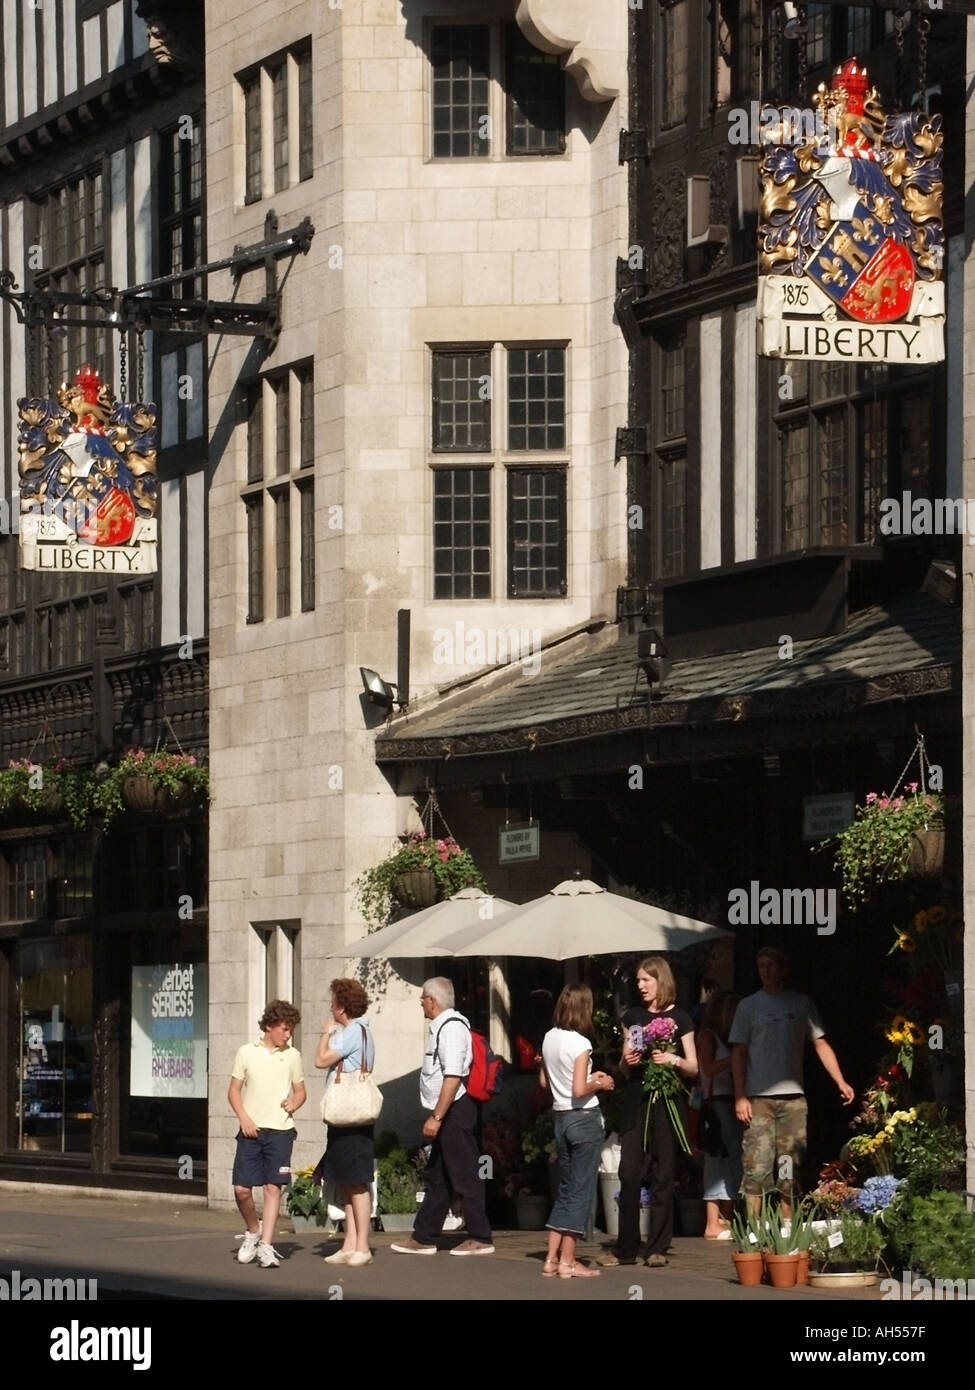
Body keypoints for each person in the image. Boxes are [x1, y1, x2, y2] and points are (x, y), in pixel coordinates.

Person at [730, 947, 855, 1220]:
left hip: (793, 1100)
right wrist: (739, 1094)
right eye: (761, 965)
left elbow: (819, 1043)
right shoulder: (748, 1006)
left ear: (783, 970)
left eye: (771, 965)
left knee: (789, 1165)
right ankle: (755, 1231)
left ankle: (787, 1226)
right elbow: (738, 1052)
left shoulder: (800, 1004)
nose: (765, 970)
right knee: (756, 1166)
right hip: (757, 1099)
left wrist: (840, 1081)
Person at [597, 956, 697, 1269]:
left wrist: (673, 1061)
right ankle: (626, 1246)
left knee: (664, 1173)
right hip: (637, 1098)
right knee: (628, 1172)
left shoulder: (681, 1018)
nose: (640, 986)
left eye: (646, 980)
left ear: (661, 981)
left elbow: (694, 1067)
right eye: (638, 981)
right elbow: (625, 1067)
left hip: (667, 1100)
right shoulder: (634, 1016)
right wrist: (628, 1061)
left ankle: (657, 1247)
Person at [390, 977, 494, 1256]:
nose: (420, 1002)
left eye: (423, 997)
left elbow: (453, 1076)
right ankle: (424, 1236)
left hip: (455, 1110)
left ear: (433, 1001)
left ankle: (480, 1237)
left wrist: (436, 1116)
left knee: (465, 1174)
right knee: (439, 1176)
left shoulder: (451, 1029)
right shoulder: (443, 1027)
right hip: (450, 1110)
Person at [540, 984, 615, 1278]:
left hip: (560, 1118)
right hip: (584, 1119)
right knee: (581, 1192)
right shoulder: (581, 1043)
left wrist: (587, 1077)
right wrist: (602, 1082)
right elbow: (580, 1088)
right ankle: (568, 1261)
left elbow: (546, 1082)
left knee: (566, 1188)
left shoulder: (549, 1037)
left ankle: (550, 1257)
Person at [229, 999, 306, 1269]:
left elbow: (300, 1091)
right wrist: (244, 1118)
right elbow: (233, 1091)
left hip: (281, 1131)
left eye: (291, 1029)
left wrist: (295, 1103)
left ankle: (266, 1246)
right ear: (270, 1026)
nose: (288, 1034)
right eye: (285, 1029)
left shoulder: (293, 1055)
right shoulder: (246, 1053)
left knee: (273, 1188)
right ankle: (253, 1231)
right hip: (251, 1131)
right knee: (241, 1190)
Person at [315, 978, 377, 1268]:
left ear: (341, 1006)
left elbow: (321, 1059)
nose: (330, 1008)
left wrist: (325, 1034)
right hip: (349, 1115)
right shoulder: (361, 1030)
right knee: (348, 1182)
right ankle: (350, 1242)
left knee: (357, 1180)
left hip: (350, 1115)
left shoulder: (353, 1031)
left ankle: (362, 1244)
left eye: (332, 1003)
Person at [696, 989, 743, 1239]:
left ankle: (726, 1217)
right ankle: (712, 1221)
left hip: (732, 1099)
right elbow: (708, 1068)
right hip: (717, 1102)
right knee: (718, 1158)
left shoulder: (731, 1038)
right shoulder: (708, 1036)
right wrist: (734, 1059)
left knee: (734, 1157)